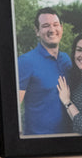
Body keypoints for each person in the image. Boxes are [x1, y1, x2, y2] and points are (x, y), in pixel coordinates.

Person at [16, 7, 72, 135]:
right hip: (39, 140)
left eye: (55, 25)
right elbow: (13, 108)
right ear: (37, 31)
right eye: (46, 26)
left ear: (61, 28)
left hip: (68, 138)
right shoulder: (25, 62)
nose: (52, 30)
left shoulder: (67, 60)